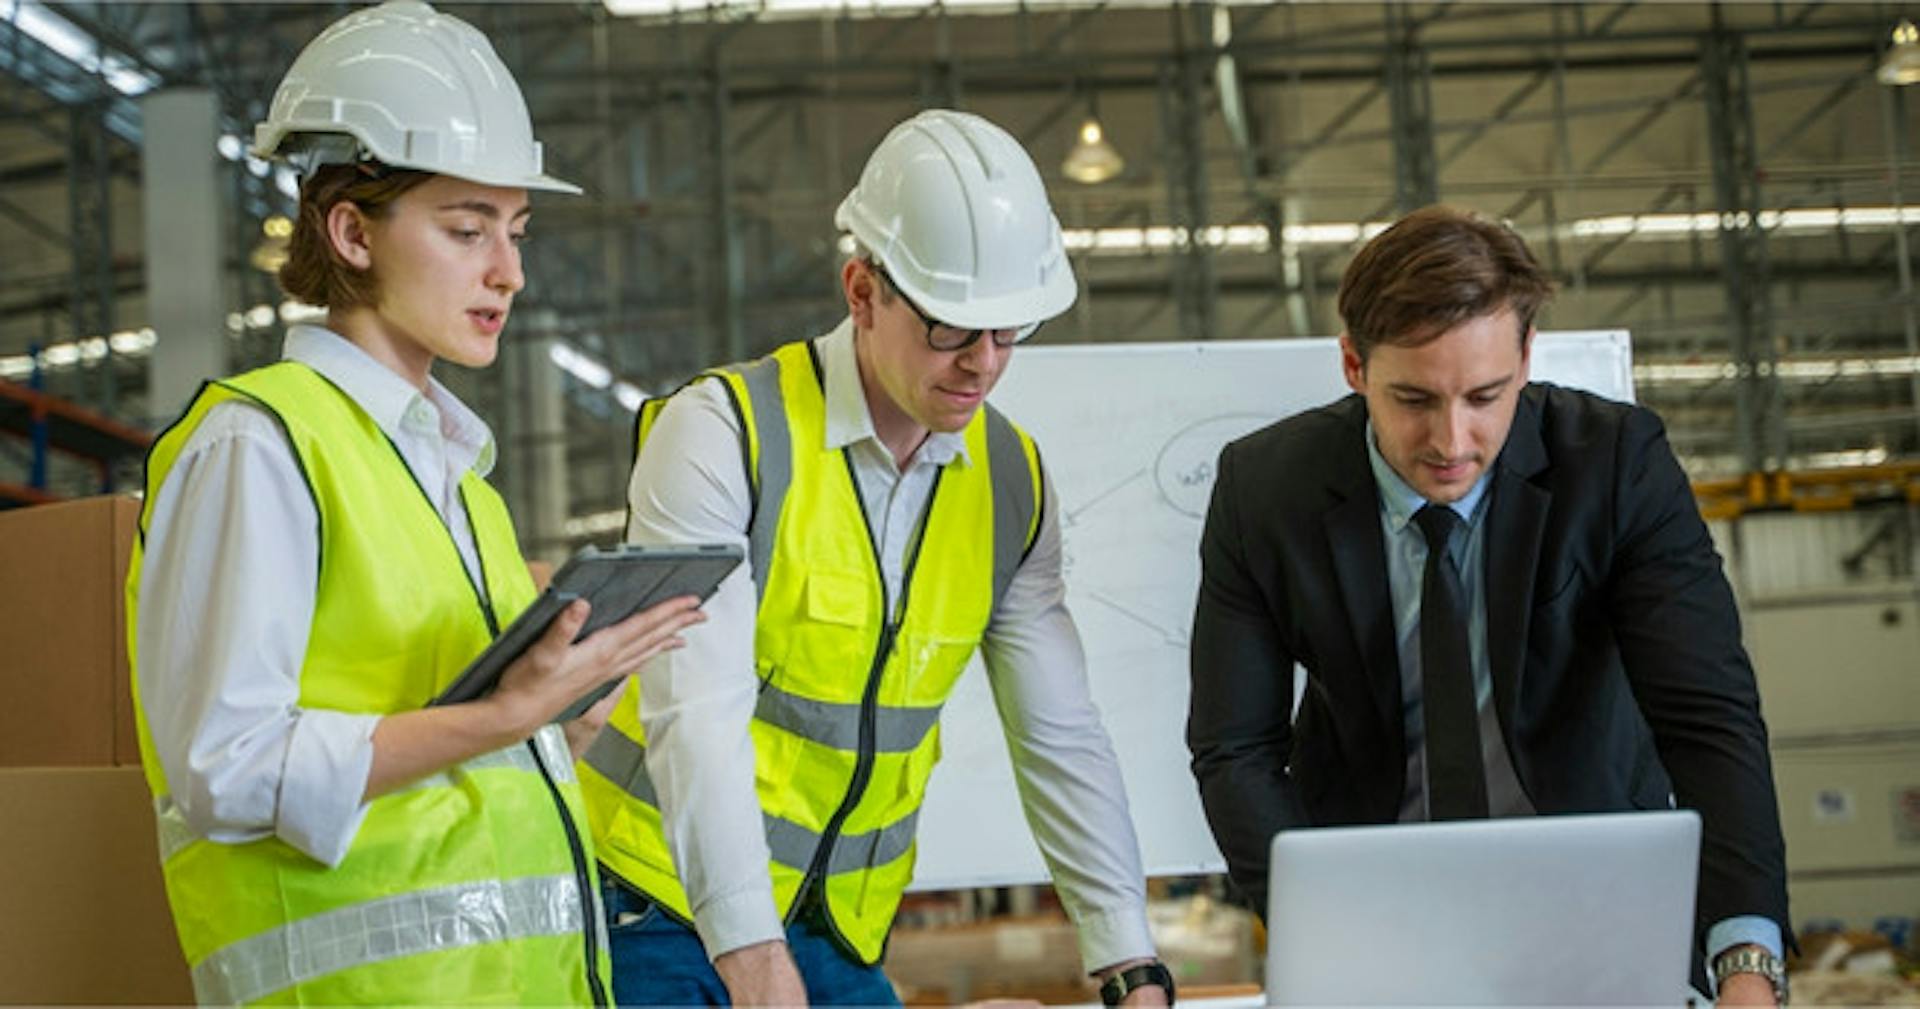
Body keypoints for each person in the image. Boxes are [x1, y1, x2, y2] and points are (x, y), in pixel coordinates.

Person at [127, 2, 704, 1003]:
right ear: (351, 230)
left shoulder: (459, 479)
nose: (510, 272)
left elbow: (454, 759)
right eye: (466, 228)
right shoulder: (258, 446)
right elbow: (228, 768)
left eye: (516, 231)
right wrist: (503, 715)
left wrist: (553, 719)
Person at [575, 109, 1172, 1008]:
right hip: (649, 907)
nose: (982, 365)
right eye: (951, 330)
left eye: (1010, 332)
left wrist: (1127, 955)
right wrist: (751, 955)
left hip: (834, 927)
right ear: (862, 291)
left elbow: (1060, 731)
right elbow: (696, 711)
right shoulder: (722, 435)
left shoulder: (1011, 482)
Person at [1186, 205, 1791, 1006]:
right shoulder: (1265, 491)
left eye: (1485, 395)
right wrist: (1317, 925)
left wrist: (1746, 954)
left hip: (1601, 897)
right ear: (1353, 365)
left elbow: (1707, 718)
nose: (1452, 439)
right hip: (1374, 910)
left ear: (1527, 357)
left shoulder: (1616, 466)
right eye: (1413, 399)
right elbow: (1236, 748)